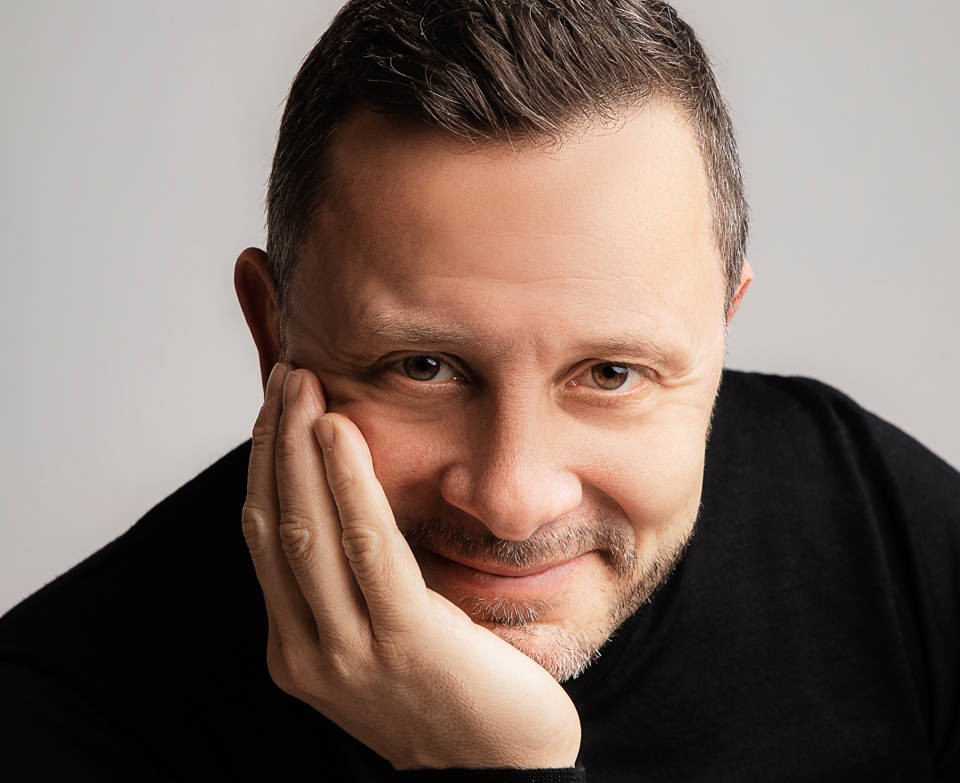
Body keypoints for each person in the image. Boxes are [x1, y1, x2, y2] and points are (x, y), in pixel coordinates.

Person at [1, 1, 957, 780]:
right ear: (272, 331)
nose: (512, 499)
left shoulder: (890, 535)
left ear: (722, 329)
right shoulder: (55, 717)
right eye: (423, 367)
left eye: (611, 374)